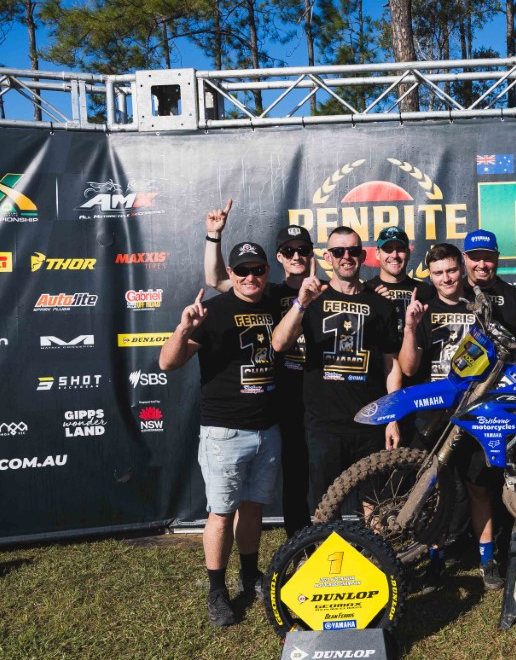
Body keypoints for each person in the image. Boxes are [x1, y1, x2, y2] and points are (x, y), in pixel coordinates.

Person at [160, 241, 281, 627]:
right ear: (231, 274)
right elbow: (167, 363)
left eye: (257, 270)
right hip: (225, 432)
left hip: (267, 429)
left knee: (254, 508)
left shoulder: (274, 305)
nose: (250, 277)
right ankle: (217, 590)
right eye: (242, 271)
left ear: (266, 272)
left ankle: (249, 574)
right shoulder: (212, 312)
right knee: (222, 513)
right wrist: (184, 328)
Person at [270, 226, 403, 509]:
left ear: (363, 256)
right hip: (324, 426)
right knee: (326, 507)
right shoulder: (313, 299)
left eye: (353, 251)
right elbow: (279, 343)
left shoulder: (381, 304)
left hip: (370, 423)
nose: (346, 257)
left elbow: (391, 364)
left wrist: (392, 418)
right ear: (327, 257)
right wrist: (301, 303)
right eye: (338, 251)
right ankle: (330, 542)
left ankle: (370, 543)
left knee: (374, 506)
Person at [399, 243, 506, 589]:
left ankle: (487, 559)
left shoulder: (481, 307)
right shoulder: (424, 309)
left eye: (451, 270)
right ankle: (435, 559)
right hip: (434, 415)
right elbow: (409, 368)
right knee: (434, 492)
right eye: (438, 273)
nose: (446, 278)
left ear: (461, 268)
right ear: (430, 275)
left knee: (479, 488)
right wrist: (410, 328)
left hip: (475, 412)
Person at [204, 201, 312, 536]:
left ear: (312, 254)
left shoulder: (326, 290)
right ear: (279, 257)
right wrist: (214, 237)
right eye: (288, 251)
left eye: (302, 250)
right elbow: (216, 279)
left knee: (326, 476)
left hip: (322, 395)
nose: (296, 256)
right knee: (295, 481)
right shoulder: (268, 294)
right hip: (284, 399)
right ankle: (301, 548)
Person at [456, 229, 516, 334]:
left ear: (497, 257)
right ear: (465, 258)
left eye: (488, 258)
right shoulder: (452, 294)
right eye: (475, 259)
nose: (482, 265)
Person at [365, 225, 419, 336]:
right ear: (377, 253)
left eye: (400, 249)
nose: (394, 255)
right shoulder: (366, 291)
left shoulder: (425, 291)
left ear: (408, 253)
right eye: (388, 249)